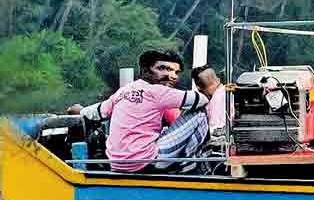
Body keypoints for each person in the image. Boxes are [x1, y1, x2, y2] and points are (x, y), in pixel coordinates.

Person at [68, 49, 211, 173]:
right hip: (145, 161)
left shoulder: (123, 91)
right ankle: (188, 165)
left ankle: (184, 162)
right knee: (199, 113)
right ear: (145, 71)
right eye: (162, 69)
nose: (171, 75)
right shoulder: (158, 91)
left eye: (174, 71)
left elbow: (96, 112)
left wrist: (80, 110)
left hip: (116, 163)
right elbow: (203, 99)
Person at [191, 65, 230, 146]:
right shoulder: (228, 92)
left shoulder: (216, 99)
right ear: (218, 79)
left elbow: (215, 130)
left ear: (198, 87)